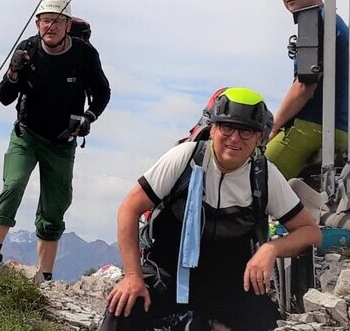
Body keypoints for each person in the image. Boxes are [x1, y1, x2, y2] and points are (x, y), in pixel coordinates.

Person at [100, 88, 321, 331]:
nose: (234, 138)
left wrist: (270, 249)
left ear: (260, 138)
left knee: (266, 322)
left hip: (229, 285)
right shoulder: (185, 158)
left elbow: (310, 232)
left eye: (246, 130)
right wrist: (133, 276)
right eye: (226, 127)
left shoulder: (264, 175)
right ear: (212, 129)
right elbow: (129, 209)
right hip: (167, 275)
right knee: (122, 310)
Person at [0, 0, 111, 281]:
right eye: (44, 20)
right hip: (26, 134)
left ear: (68, 25)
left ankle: (45, 276)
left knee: (55, 205)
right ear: (37, 23)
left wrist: (89, 117)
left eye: (56, 21)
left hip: (62, 142)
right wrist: (14, 72)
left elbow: (102, 93)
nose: (49, 26)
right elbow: (4, 97)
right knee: (13, 185)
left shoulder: (84, 55)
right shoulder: (27, 51)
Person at [266, 0, 349, 180]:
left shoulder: (312, 21)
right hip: (341, 129)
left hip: (311, 128)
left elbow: (304, 85)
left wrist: (272, 128)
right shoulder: (333, 21)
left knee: (250, 180)